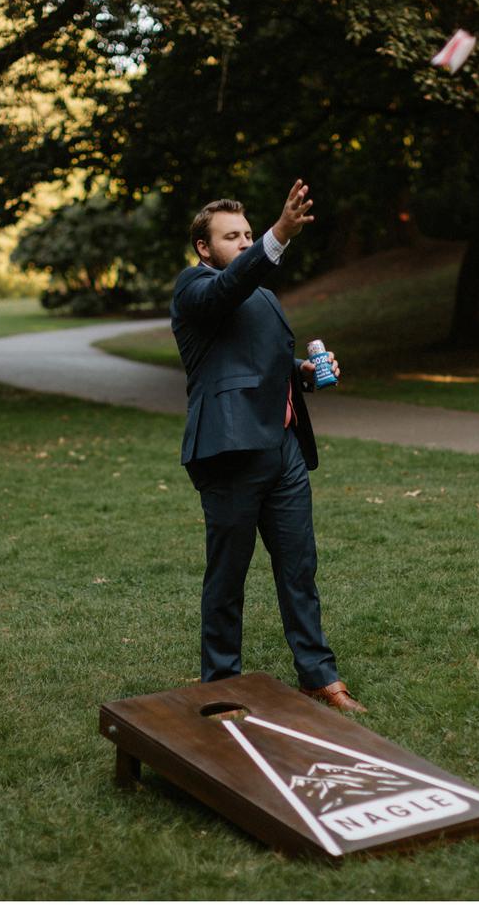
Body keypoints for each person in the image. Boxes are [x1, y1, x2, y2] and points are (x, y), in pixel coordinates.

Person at [170, 180, 365, 713]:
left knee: (300, 565)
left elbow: (263, 364)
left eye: (249, 233)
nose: (244, 242)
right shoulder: (195, 289)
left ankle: (318, 676)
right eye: (232, 236)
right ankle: (221, 685)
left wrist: (305, 372)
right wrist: (279, 234)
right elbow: (229, 287)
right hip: (230, 450)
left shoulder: (265, 296)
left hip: (284, 448)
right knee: (228, 574)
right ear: (205, 248)